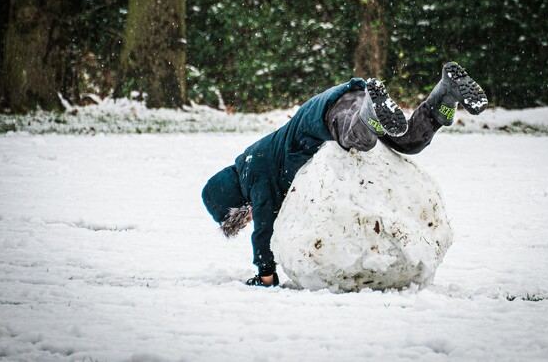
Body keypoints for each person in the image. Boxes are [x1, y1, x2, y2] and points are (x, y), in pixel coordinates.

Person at [201, 62, 488, 287]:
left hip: (328, 111)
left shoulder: (255, 171)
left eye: (242, 217)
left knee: (357, 139)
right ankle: (445, 95)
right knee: (409, 141)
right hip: (347, 104)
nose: (249, 219)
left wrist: (265, 274)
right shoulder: (256, 163)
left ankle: (370, 112)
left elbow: (264, 226)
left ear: (236, 205)